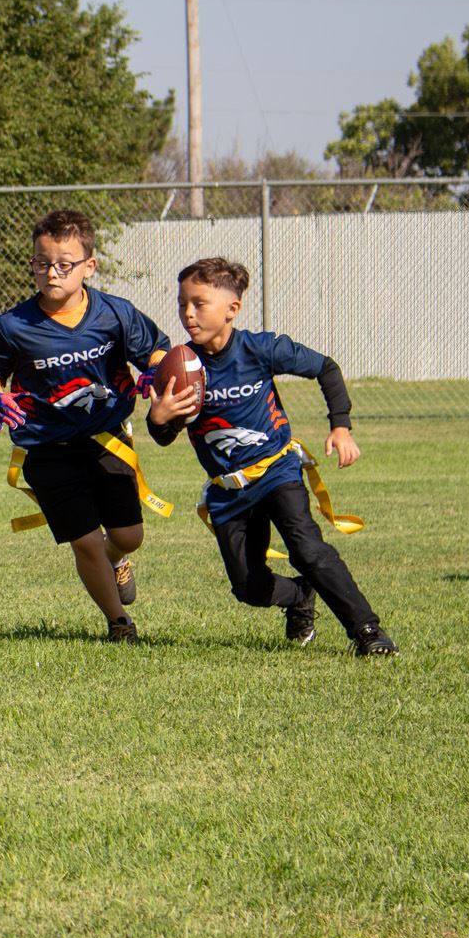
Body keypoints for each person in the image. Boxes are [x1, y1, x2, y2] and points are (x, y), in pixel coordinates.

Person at [146, 257, 397, 656]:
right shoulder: (180, 366)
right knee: (248, 586)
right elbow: (163, 435)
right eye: (182, 304)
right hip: (228, 491)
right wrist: (159, 418)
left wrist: (341, 426)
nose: (188, 313)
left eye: (199, 303)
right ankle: (299, 596)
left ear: (232, 309)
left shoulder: (259, 349)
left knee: (307, 550)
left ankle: (368, 632)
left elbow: (326, 368)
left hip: (277, 471)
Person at [0, 208, 172, 643]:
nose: (52, 272)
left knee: (128, 535)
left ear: (89, 266)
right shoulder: (12, 326)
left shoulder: (115, 314)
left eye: (65, 264)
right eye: (42, 263)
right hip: (47, 451)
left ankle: (116, 558)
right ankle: (119, 623)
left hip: (107, 442)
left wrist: (155, 371)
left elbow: (157, 351)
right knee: (84, 541)